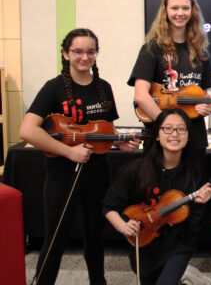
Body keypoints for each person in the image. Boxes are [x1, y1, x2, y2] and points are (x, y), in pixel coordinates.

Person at [19, 28, 139, 285]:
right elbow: (27, 130)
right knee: (56, 237)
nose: (85, 57)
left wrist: (119, 143)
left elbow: (105, 131)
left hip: (97, 172)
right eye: (78, 51)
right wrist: (69, 152)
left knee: (95, 236)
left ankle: (98, 281)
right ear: (66, 54)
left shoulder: (103, 88)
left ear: (96, 54)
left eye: (90, 52)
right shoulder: (53, 88)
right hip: (61, 174)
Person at [103, 108, 211, 285]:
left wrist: (201, 203)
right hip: (144, 243)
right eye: (167, 128)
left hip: (178, 245)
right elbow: (109, 207)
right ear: (157, 135)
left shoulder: (195, 174)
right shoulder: (137, 169)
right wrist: (124, 227)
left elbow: (194, 229)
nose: (174, 134)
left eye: (181, 129)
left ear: (188, 136)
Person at [129, 0, 211, 160]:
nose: (180, 13)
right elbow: (141, 96)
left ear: (192, 11)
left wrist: (205, 108)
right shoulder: (151, 48)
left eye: (185, 8)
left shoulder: (201, 53)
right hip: (161, 138)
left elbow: (202, 97)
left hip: (194, 138)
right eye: (174, 8)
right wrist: (168, 126)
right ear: (165, 11)